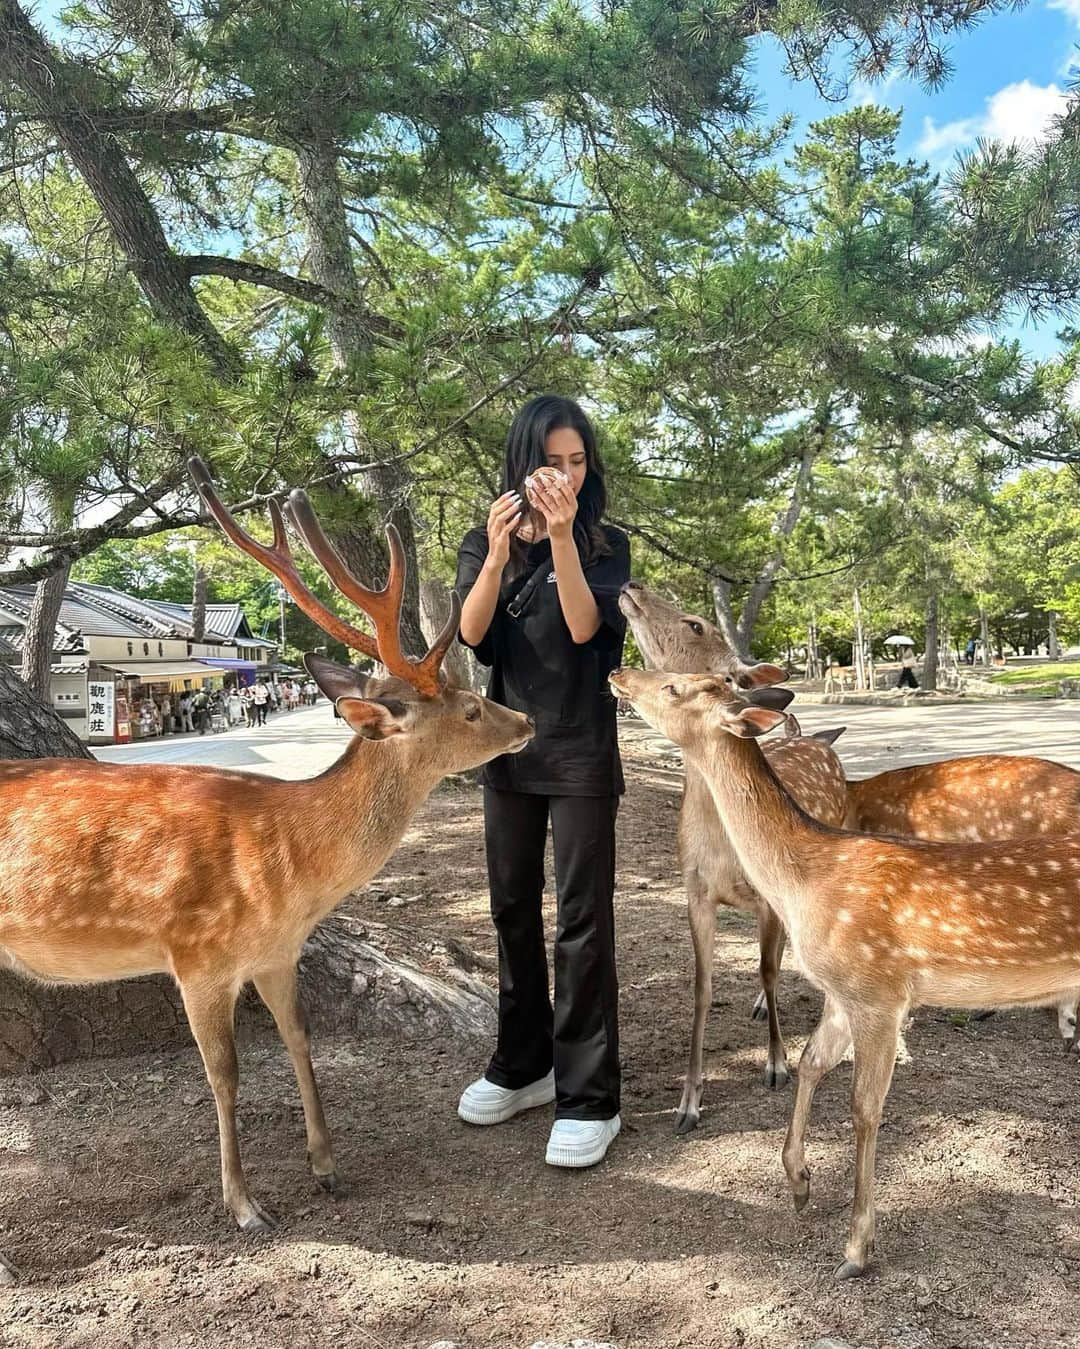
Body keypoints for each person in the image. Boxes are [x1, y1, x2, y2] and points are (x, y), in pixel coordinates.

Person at [454, 393, 630, 1170]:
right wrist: (496, 555)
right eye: (552, 460)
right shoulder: (479, 538)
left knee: (583, 918)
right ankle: (524, 1064)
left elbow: (586, 627)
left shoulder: (604, 543)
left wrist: (562, 538)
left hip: (583, 745)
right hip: (510, 746)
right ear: (523, 462)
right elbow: (472, 635)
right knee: (512, 908)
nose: (565, 473)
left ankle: (591, 1095)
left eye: (577, 461)